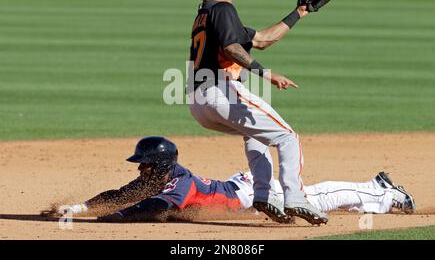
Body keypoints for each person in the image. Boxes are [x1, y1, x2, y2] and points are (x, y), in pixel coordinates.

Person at [187, 0, 335, 224]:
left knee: (256, 135)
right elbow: (233, 48)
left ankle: (264, 195)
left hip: (199, 104)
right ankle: (296, 198)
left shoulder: (206, 16)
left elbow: (263, 39)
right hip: (221, 91)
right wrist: (266, 74)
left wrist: (299, 12)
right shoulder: (223, 9)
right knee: (287, 137)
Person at [51, 137, 416, 223]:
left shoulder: (177, 183)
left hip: (248, 192)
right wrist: (80, 207)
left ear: (160, 165)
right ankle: (379, 197)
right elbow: (123, 193)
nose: (139, 170)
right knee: (313, 199)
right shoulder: (158, 178)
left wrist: (109, 219)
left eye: (144, 165)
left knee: (312, 199)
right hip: (236, 188)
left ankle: (378, 190)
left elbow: (152, 209)